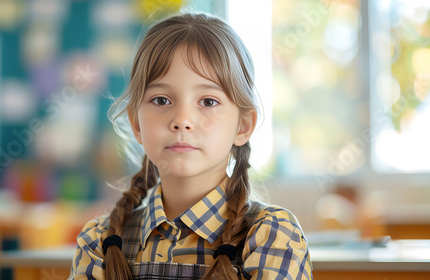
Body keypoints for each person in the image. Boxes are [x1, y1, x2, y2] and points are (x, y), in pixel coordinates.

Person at [68, 12, 312, 280]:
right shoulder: (98, 242)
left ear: (243, 126)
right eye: (161, 100)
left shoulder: (272, 236)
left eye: (208, 101)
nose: (182, 121)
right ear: (136, 124)